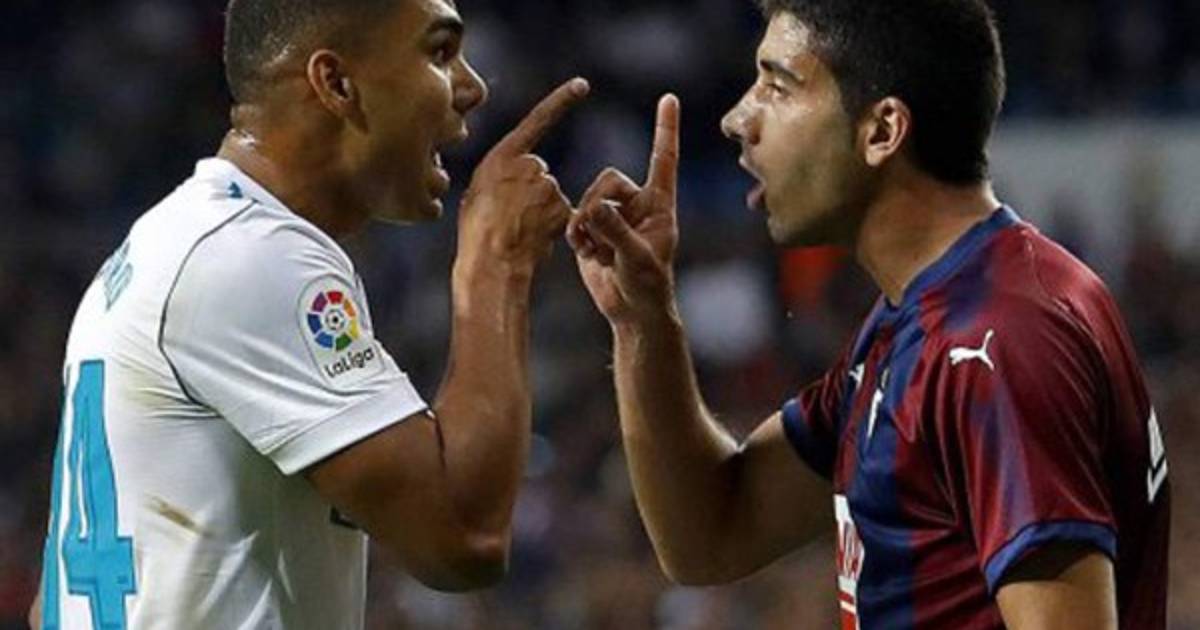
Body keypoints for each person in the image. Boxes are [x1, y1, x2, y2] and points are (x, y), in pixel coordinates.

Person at [567, 0, 1169, 628]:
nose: (737, 118)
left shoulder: (999, 340)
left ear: (882, 131)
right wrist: (642, 318)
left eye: (778, 86)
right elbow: (713, 534)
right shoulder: (922, 317)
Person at [30, 0, 590, 627]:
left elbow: (49, 602)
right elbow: (463, 539)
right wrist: (498, 260)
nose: (474, 86)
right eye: (439, 52)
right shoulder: (251, 255)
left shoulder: (167, 242)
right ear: (336, 83)